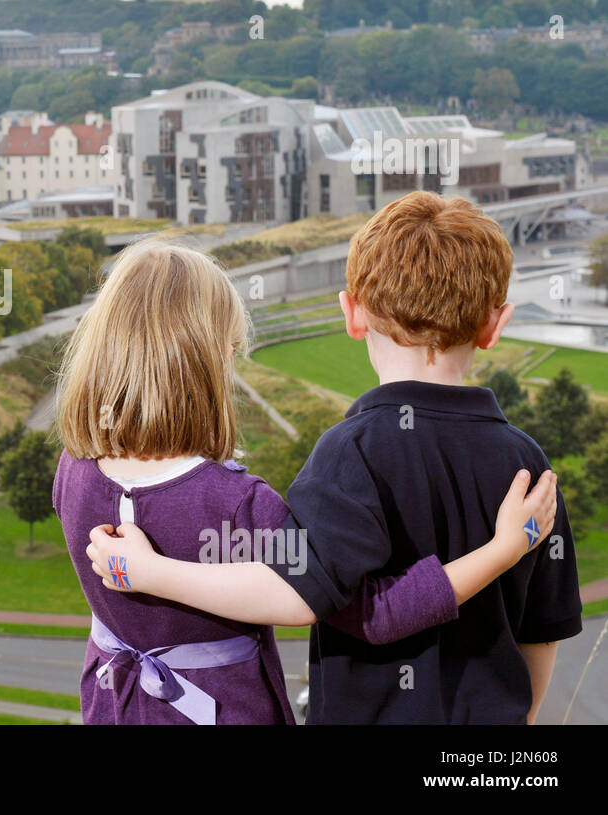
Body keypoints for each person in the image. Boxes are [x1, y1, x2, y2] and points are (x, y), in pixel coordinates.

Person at [88, 193, 581, 724]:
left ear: (353, 313)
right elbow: (542, 631)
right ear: (495, 325)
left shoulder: (349, 454)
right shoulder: (529, 466)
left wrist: (149, 571)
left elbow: (301, 594)